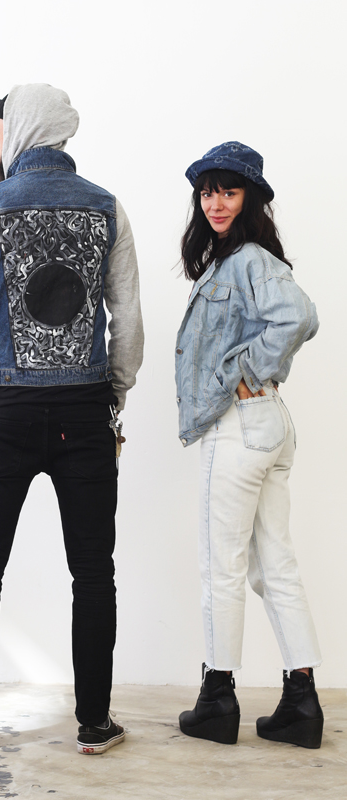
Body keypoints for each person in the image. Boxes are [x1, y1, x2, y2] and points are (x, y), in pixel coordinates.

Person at [0, 84, 144, 756]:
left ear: (24, 128)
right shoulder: (107, 208)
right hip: (85, 410)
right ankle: (94, 724)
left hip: (5, 409)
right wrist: (114, 392)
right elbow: (128, 319)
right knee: (93, 571)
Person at [175, 142, 323, 748]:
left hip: (240, 426)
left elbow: (301, 317)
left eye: (228, 192)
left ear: (252, 199)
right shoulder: (232, 260)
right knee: (274, 565)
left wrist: (241, 372)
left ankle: (218, 699)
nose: (215, 203)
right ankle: (302, 703)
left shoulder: (250, 260)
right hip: (268, 425)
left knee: (222, 567)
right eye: (207, 192)